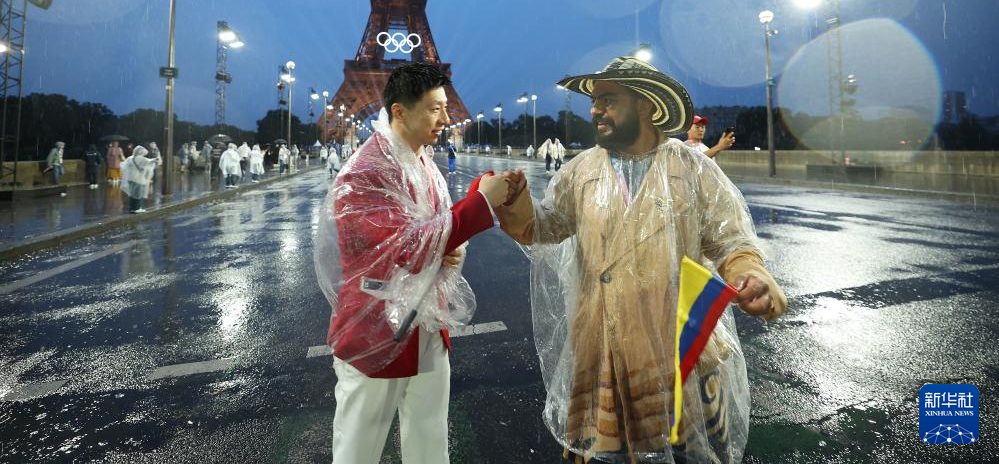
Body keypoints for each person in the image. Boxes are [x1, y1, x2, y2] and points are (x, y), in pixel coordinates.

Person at [495, 56, 787, 464]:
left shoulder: (694, 169)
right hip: (598, 346)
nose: (595, 109)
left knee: (680, 452)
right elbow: (545, 227)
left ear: (646, 106)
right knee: (600, 454)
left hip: (674, 347)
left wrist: (751, 275)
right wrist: (516, 202)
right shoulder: (581, 170)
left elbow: (731, 240)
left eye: (609, 100)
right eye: (595, 101)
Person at [314, 62, 512, 464]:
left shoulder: (421, 160)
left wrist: (450, 248)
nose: (446, 118)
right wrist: (480, 204)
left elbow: (432, 233)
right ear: (400, 111)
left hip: (425, 321)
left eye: (446, 107)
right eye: (434, 108)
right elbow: (405, 246)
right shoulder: (366, 170)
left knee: (430, 441)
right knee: (358, 450)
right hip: (376, 327)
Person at [120, 145, 157, 213]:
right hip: (138, 179)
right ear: (140, 152)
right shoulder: (140, 158)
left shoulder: (130, 158)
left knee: (132, 195)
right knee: (138, 194)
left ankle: (132, 208)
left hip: (130, 179)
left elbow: (123, 165)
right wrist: (155, 159)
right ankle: (137, 208)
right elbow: (149, 161)